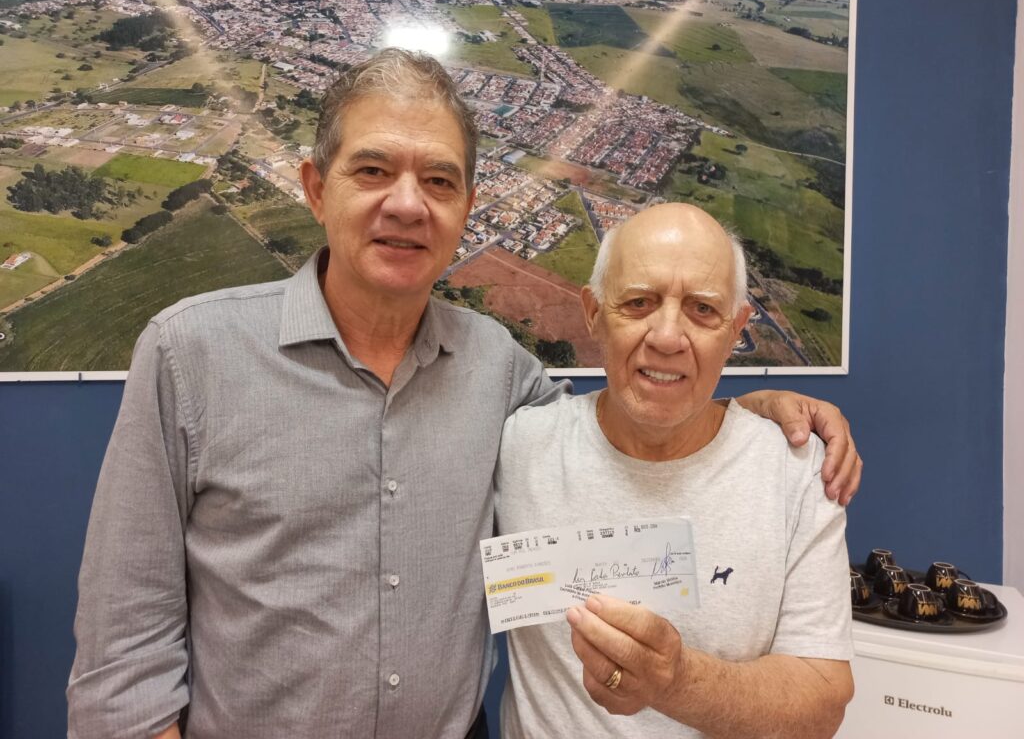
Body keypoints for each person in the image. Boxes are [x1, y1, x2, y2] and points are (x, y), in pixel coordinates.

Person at [68, 50, 860, 739]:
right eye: (373, 170)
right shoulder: (190, 355)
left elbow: (633, 418)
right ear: (314, 188)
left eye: (439, 180)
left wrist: (743, 413)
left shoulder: (501, 373)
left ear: (466, 209)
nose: (407, 203)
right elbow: (122, 654)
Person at [496, 203, 854, 738]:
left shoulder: (798, 474)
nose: (667, 337)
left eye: (703, 310)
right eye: (638, 302)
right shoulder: (518, 445)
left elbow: (821, 705)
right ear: (593, 313)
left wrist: (676, 681)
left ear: (736, 331)